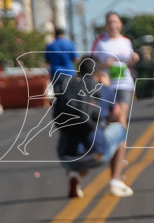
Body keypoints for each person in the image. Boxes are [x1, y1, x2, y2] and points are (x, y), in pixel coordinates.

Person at [54, 57, 129, 199]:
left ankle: (74, 173)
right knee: (120, 129)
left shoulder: (66, 88)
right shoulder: (102, 89)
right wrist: (106, 87)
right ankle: (115, 181)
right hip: (96, 155)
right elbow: (116, 115)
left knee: (73, 133)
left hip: (66, 157)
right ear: (99, 73)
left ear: (78, 71)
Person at [90, 11, 138, 196]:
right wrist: (104, 65)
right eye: (110, 22)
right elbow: (91, 63)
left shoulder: (126, 41)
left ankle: (117, 168)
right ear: (106, 25)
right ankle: (114, 159)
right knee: (111, 123)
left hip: (124, 84)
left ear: (121, 24)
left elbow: (130, 61)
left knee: (121, 121)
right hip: (107, 86)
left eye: (116, 22)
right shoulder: (101, 42)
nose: (113, 25)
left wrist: (134, 59)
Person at [44, 26, 78, 94]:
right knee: (70, 94)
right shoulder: (70, 44)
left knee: (58, 95)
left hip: (56, 73)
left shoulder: (50, 46)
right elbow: (76, 59)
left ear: (55, 35)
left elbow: (47, 60)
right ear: (63, 34)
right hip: (69, 72)